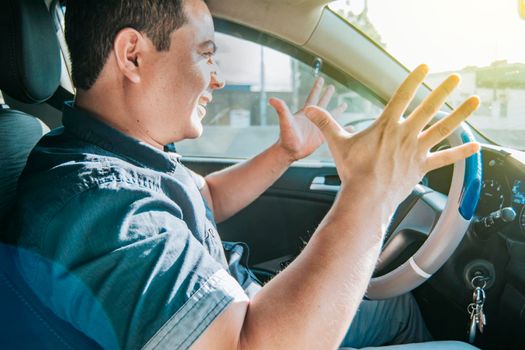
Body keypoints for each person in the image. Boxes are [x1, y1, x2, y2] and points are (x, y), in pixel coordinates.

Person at [6, 0, 481, 349]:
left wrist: (283, 153)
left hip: (240, 300)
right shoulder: (100, 204)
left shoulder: (113, 152)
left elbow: (204, 197)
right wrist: (372, 192)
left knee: (394, 306)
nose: (218, 78)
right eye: (206, 54)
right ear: (132, 55)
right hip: (254, 331)